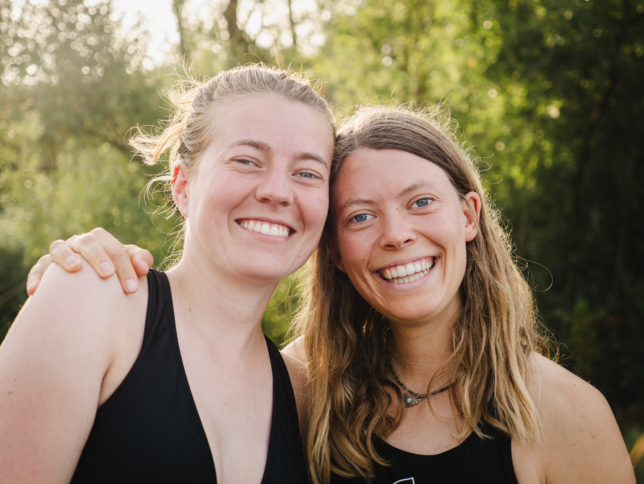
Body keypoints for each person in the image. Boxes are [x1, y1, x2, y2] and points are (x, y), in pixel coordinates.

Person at [26, 106, 636, 484]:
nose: (396, 235)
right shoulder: (304, 390)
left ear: (469, 215)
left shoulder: (565, 415)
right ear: (335, 250)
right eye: (360, 216)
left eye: (422, 202)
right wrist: (80, 276)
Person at [0, 65, 334, 483]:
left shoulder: (305, 394)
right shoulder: (90, 300)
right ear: (182, 185)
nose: (278, 192)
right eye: (247, 161)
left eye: (307, 174)